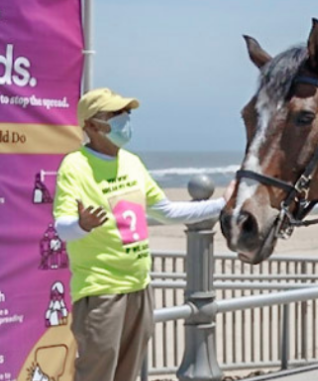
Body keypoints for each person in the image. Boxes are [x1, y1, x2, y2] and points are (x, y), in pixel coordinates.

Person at [53, 88, 224, 381]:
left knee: (128, 373)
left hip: (139, 285)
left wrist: (224, 205)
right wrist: (82, 225)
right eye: (115, 115)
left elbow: (166, 211)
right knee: (96, 373)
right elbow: (62, 228)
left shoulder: (132, 162)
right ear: (92, 126)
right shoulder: (75, 166)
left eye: (126, 113)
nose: (124, 120)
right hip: (101, 291)